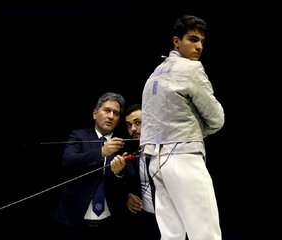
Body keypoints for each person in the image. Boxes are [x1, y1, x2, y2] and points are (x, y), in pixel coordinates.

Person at [140, 15, 225, 240]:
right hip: (183, 159)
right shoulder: (191, 68)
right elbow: (216, 118)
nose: (199, 47)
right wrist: (195, 130)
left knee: (171, 235)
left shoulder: (153, 74)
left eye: (202, 42)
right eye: (193, 39)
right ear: (176, 42)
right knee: (206, 234)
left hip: (156, 164)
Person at [54, 92, 128, 240]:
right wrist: (102, 152)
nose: (111, 116)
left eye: (116, 113)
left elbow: (131, 178)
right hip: (74, 219)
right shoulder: (79, 136)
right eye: (107, 110)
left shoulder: (121, 143)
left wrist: (120, 172)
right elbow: (68, 161)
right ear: (95, 114)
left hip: (111, 221)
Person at [113, 104, 161, 240]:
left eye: (138, 123)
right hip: (145, 220)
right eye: (129, 125)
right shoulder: (129, 150)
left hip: (172, 217)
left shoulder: (168, 147)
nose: (133, 129)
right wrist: (128, 195)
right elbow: (126, 179)